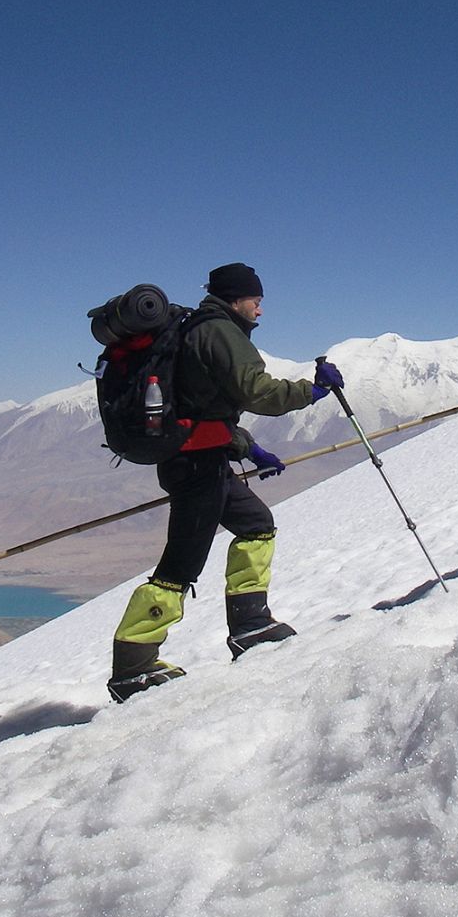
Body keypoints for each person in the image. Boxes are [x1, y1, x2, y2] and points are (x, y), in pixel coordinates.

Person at [107, 262, 344, 703]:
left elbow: (201, 402)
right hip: (196, 465)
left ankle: (251, 624)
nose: (260, 310)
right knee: (180, 565)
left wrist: (245, 446)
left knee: (256, 523)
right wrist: (311, 390)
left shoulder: (199, 328)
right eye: (256, 300)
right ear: (236, 298)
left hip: (205, 456)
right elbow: (256, 390)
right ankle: (132, 667)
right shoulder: (219, 331)